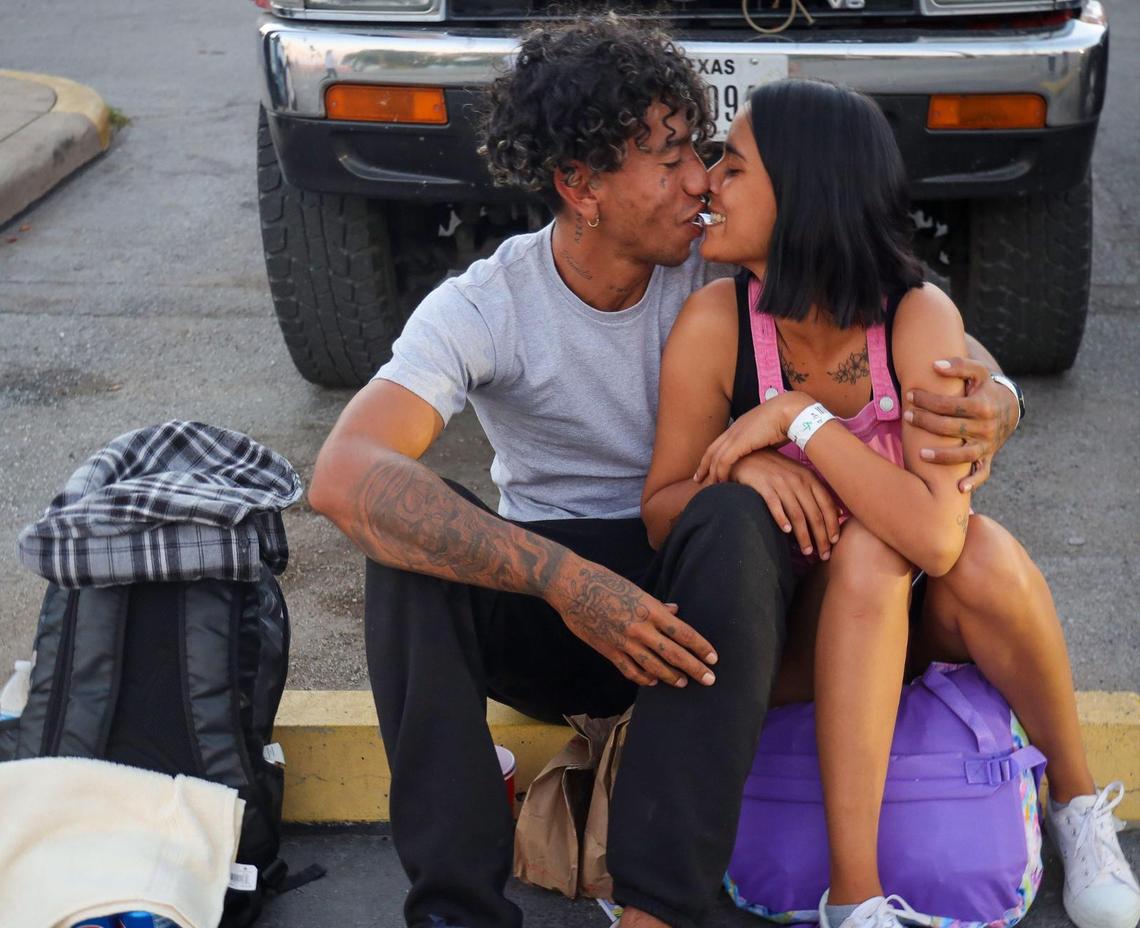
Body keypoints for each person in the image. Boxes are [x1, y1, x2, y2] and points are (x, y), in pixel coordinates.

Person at [309, 18, 1020, 928]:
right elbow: (343, 473)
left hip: (718, 606)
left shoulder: (720, 267)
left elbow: (895, 316)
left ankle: (661, 906)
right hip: (563, 600)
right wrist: (567, 582)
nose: (701, 181)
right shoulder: (488, 305)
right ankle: (455, 912)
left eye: (703, 149)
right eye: (670, 156)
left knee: (732, 515)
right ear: (581, 185)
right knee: (405, 539)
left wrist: (998, 394)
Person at [642, 79, 1140, 928]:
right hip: (791, 642)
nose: (710, 183)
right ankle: (856, 893)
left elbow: (940, 542)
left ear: (804, 194)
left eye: (736, 166)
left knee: (976, 551)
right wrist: (748, 468)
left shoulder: (914, 316)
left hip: (910, 618)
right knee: (873, 550)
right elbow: (661, 509)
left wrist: (798, 421)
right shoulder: (716, 324)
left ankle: (1079, 803)